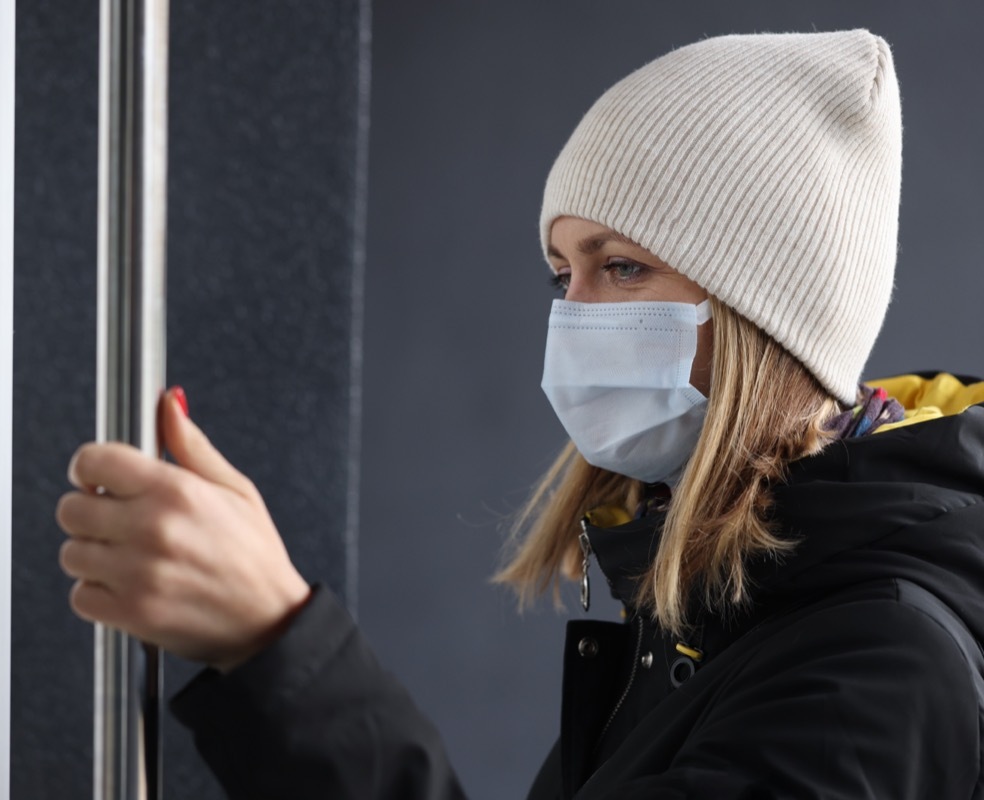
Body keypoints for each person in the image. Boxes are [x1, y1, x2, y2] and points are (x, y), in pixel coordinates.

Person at [55, 29, 984, 798]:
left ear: (768, 311)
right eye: (560, 273)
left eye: (620, 266)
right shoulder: (728, 602)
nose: (573, 316)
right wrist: (268, 645)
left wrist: (278, 643)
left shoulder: (872, 674)